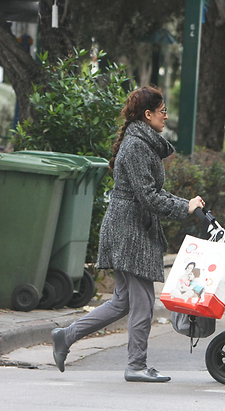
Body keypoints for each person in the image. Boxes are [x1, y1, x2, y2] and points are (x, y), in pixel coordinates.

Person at [51, 86, 205, 382]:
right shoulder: (136, 146)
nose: (166, 116)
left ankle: (66, 336)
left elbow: (152, 192)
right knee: (143, 301)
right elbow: (147, 196)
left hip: (131, 227)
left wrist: (186, 204)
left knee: (123, 301)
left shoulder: (142, 143)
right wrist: (183, 208)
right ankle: (136, 365)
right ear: (148, 115)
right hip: (128, 231)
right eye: (162, 111)